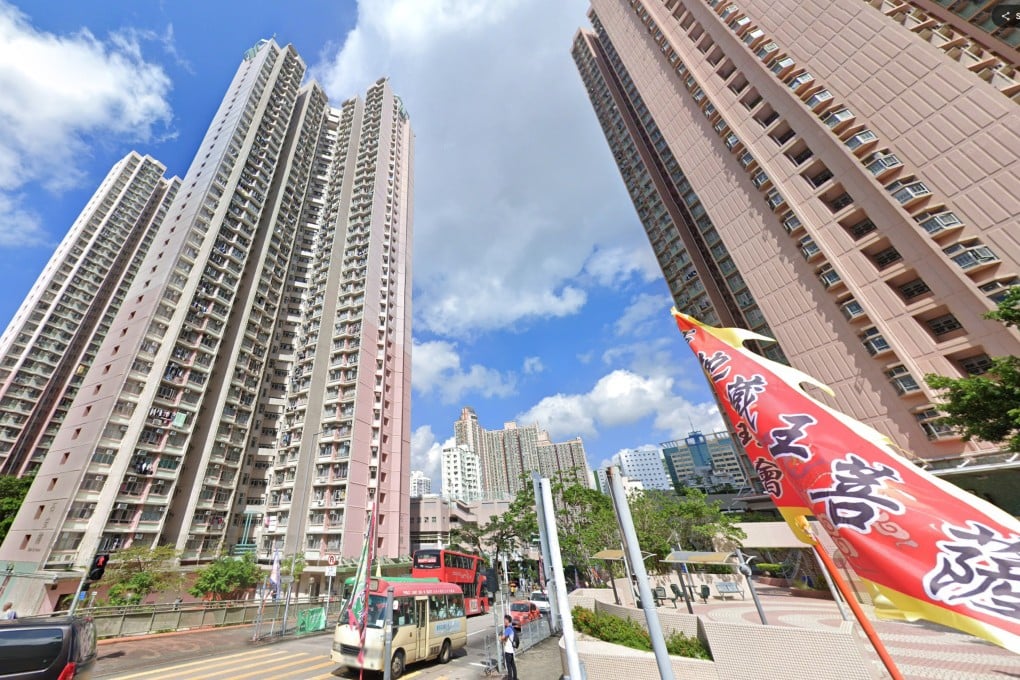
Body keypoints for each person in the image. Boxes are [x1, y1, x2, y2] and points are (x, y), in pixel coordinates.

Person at [500, 614, 518, 680]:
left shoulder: (508, 629)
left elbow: (502, 638)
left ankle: (510, 678)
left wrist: (500, 638)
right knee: (513, 665)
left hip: (508, 651)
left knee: (509, 666)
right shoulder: (512, 628)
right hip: (512, 650)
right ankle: (515, 678)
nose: (504, 621)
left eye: (505, 620)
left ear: (507, 620)